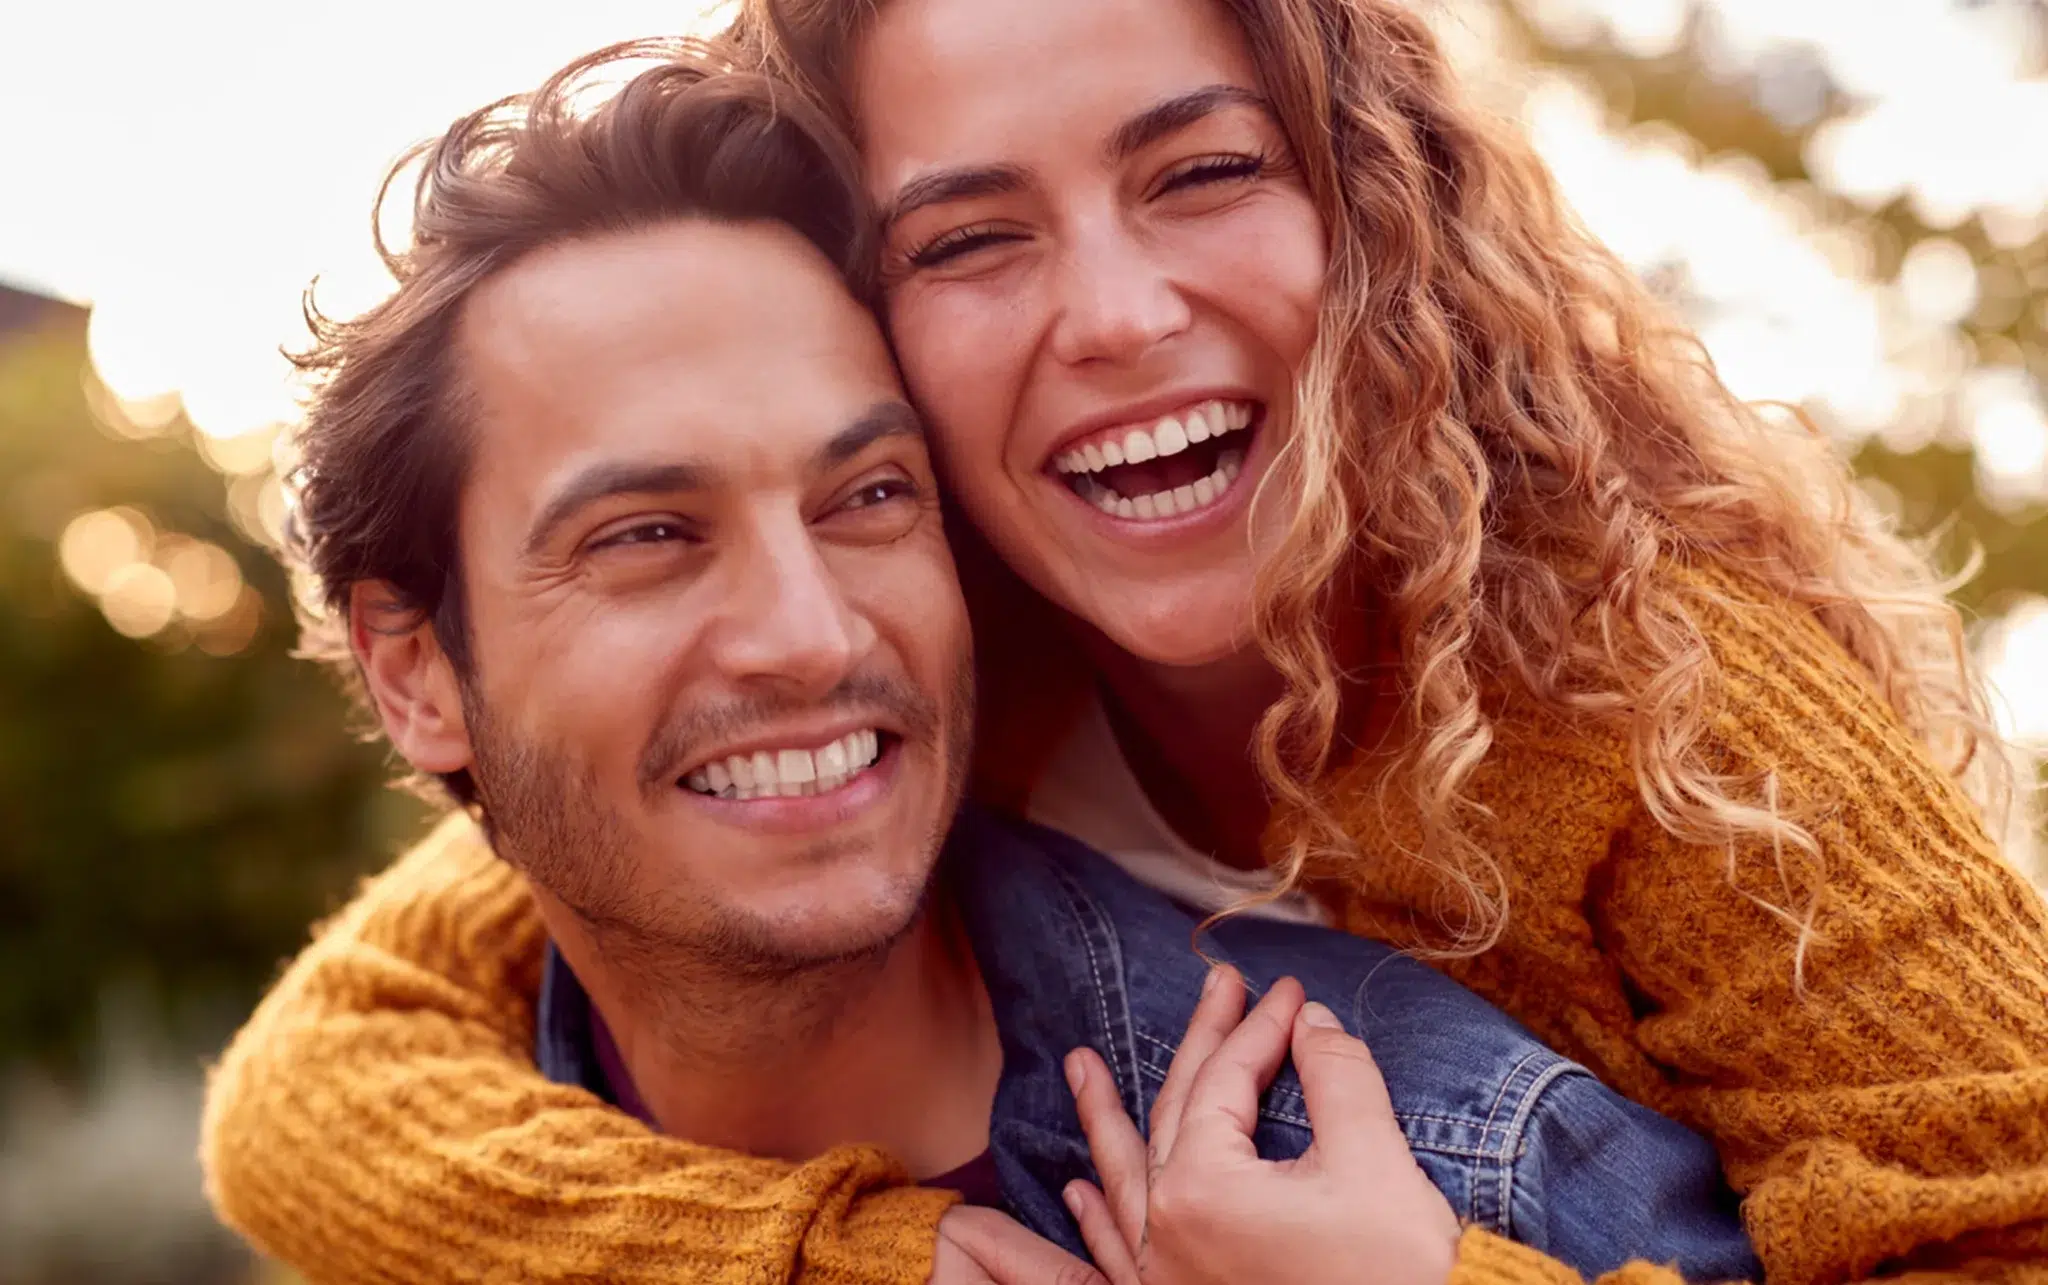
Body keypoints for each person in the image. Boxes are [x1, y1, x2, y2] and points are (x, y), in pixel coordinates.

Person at [203, 0, 2048, 1281]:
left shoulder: (1652, 690)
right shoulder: (914, 646)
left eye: (1201, 174)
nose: (1112, 313)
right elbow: (316, 1087)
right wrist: (829, 1254)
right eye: (970, 239)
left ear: (1369, 209)